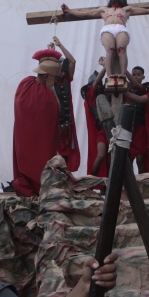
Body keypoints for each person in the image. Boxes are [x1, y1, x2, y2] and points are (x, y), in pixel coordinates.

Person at [61, 0, 149, 80]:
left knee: (121, 50)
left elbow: (148, 11)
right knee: (110, 50)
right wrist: (69, 10)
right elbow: (85, 14)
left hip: (121, 27)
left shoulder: (127, 9)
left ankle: (122, 74)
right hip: (108, 28)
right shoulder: (103, 9)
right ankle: (109, 75)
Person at [12, 49, 62, 196]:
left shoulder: (25, 83)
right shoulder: (48, 97)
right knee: (40, 161)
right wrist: (52, 89)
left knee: (26, 161)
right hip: (39, 141)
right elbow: (57, 112)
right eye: (54, 78)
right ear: (47, 77)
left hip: (22, 139)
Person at [49, 37, 80, 172]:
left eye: (63, 70)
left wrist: (60, 45)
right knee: (56, 155)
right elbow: (47, 69)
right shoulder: (50, 81)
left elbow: (72, 61)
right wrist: (51, 54)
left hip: (67, 124)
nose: (62, 73)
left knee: (67, 154)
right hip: (56, 124)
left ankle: (66, 179)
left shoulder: (67, 78)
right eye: (60, 70)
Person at [81, 58, 110, 177]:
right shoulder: (90, 95)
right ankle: (90, 182)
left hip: (111, 129)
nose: (97, 86)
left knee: (111, 159)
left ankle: (107, 186)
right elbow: (97, 82)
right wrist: (105, 66)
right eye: (94, 84)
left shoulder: (104, 94)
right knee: (100, 155)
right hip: (101, 130)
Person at [123, 66, 149, 173]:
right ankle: (130, 187)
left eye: (138, 75)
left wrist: (124, 70)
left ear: (143, 77)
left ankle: (142, 186)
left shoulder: (145, 88)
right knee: (127, 160)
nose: (136, 77)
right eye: (134, 74)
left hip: (140, 128)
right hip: (128, 128)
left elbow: (136, 85)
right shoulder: (126, 88)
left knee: (140, 160)